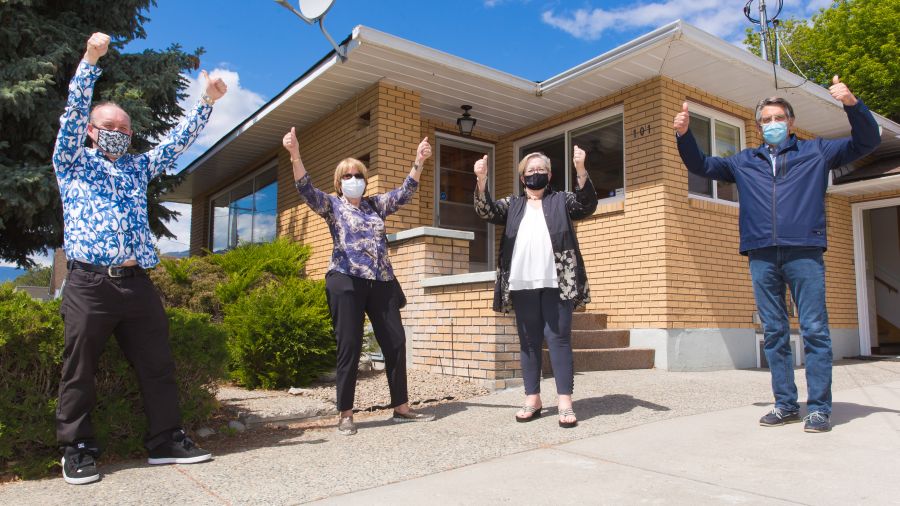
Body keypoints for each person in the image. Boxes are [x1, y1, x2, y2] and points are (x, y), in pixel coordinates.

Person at [52, 32, 227, 484]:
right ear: (91, 132)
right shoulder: (71, 161)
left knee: (157, 362)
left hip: (136, 284)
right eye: (108, 127)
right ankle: (77, 449)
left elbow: (174, 144)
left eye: (124, 130)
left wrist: (205, 103)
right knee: (80, 369)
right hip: (89, 284)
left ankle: (166, 440)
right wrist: (91, 58)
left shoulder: (135, 168)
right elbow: (72, 112)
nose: (117, 135)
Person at [673, 76, 881, 433]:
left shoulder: (817, 152)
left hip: (805, 251)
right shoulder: (743, 161)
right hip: (761, 253)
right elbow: (702, 166)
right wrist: (684, 135)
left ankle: (818, 408)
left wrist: (852, 103)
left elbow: (867, 140)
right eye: (766, 120)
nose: (772, 125)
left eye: (778, 118)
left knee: (815, 330)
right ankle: (785, 404)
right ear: (758, 127)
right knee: (774, 332)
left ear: (791, 122)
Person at [282, 127, 436, 435]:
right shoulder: (331, 205)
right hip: (345, 280)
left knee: (395, 341)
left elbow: (405, 191)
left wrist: (419, 161)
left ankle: (401, 407)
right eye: (348, 176)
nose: (354, 179)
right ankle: (346, 413)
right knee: (349, 345)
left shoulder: (375, 205)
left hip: (381, 282)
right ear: (339, 183)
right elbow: (304, 188)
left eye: (359, 174)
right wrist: (295, 155)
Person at [473, 146, 598, 428]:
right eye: (530, 171)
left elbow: (587, 205)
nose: (536, 174)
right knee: (528, 343)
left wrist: (580, 170)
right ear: (522, 178)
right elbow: (487, 211)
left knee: (559, 339)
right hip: (522, 283)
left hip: (558, 281)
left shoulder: (562, 200)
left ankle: (565, 401)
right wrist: (481, 181)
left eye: (541, 170)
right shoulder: (513, 205)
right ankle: (533, 398)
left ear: (550, 175)